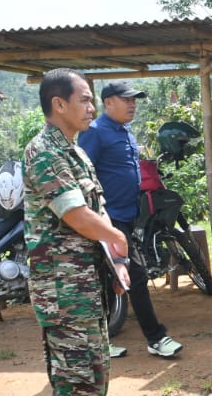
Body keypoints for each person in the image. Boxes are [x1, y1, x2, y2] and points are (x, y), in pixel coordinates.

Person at [24, 68, 131, 396]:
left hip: (81, 282)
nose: (91, 107)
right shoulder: (45, 152)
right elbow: (76, 215)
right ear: (59, 104)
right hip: (61, 288)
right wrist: (117, 238)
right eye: (84, 100)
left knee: (92, 370)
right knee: (78, 377)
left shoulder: (73, 150)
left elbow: (93, 210)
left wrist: (112, 256)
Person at [78, 81, 182, 359]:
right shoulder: (96, 132)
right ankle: (155, 338)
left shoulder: (124, 131)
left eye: (134, 100)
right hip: (107, 219)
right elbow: (84, 175)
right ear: (108, 102)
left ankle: (99, 343)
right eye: (127, 99)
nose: (132, 104)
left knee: (108, 279)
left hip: (127, 216)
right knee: (135, 275)